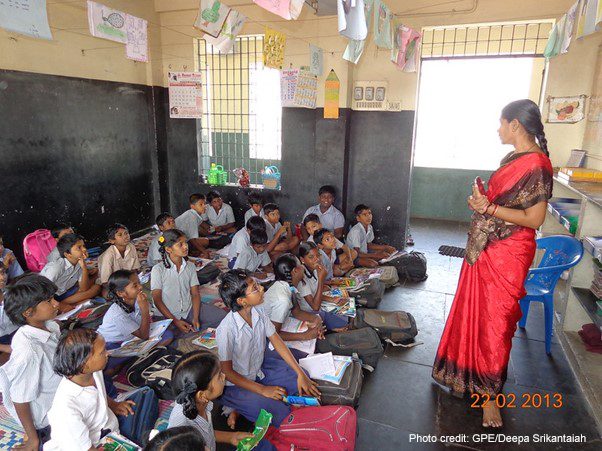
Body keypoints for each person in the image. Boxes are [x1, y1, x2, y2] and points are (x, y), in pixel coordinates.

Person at [432, 99, 553, 429]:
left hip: (508, 254)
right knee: (474, 314)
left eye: (501, 123)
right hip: (486, 249)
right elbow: (504, 202)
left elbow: (534, 218)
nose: (498, 129)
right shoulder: (512, 158)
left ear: (515, 125)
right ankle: (466, 376)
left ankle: (489, 398)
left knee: (496, 325)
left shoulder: (537, 164)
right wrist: (484, 201)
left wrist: (488, 209)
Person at [216, 270, 320, 427]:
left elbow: (277, 342)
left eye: (258, 284)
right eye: (255, 288)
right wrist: (262, 390)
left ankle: (242, 407)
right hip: (236, 384)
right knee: (277, 411)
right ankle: (234, 406)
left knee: (301, 377)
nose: (262, 289)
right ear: (242, 301)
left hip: (258, 371)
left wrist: (299, 373)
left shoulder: (258, 312)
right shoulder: (226, 329)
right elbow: (227, 372)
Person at [45, 329, 136, 450]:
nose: (107, 353)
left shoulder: (93, 371)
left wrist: (113, 404)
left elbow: (98, 393)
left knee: (141, 400)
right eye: (102, 352)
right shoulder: (66, 408)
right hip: (88, 445)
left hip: (107, 430)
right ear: (84, 364)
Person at [0, 274, 62, 450]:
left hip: (62, 396)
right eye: (49, 301)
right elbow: (19, 398)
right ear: (28, 312)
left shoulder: (50, 326)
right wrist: (33, 439)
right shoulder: (28, 351)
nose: (56, 303)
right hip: (48, 419)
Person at [169, 351, 264, 451]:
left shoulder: (200, 402)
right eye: (219, 375)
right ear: (202, 395)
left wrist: (231, 437)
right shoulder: (182, 433)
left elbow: (205, 432)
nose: (224, 376)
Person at [151, 229, 226, 336]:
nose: (186, 246)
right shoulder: (158, 270)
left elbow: (195, 294)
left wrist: (195, 318)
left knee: (222, 316)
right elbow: (157, 300)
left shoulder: (190, 266)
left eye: (185, 242)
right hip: (167, 314)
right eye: (180, 244)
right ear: (168, 249)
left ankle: (189, 329)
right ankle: (184, 330)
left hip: (188, 309)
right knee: (167, 335)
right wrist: (175, 321)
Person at [263, 254, 324, 358]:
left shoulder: (288, 286)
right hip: (267, 338)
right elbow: (273, 334)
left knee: (317, 326)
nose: (303, 267)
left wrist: (316, 319)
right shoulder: (282, 300)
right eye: (300, 265)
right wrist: (305, 336)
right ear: (295, 271)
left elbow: (296, 311)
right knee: (314, 346)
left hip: (281, 324)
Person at [40, 233, 101, 311]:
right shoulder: (56, 267)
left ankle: (69, 305)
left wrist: (84, 267)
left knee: (96, 288)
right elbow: (41, 290)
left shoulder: (79, 261)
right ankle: (65, 306)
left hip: (67, 292)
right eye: (79, 248)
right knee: (95, 288)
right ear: (68, 254)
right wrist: (60, 305)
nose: (84, 249)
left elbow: (84, 288)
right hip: (52, 297)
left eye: (83, 246)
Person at [297, 242, 348, 332]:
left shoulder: (316, 268)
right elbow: (315, 307)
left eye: (318, 255)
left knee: (345, 314)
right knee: (342, 324)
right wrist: (321, 279)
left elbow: (315, 293)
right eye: (311, 257)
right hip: (309, 312)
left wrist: (332, 300)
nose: (316, 260)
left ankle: (332, 327)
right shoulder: (301, 276)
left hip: (318, 304)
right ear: (302, 260)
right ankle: (331, 330)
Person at [175, 193, 210, 258]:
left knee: (205, 239)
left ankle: (191, 251)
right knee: (206, 241)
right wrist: (204, 252)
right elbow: (192, 240)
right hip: (177, 242)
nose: (204, 206)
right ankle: (189, 252)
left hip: (182, 239)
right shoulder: (192, 217)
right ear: (193, 206)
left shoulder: (192, 213)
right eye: (201, 204)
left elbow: (202, 225)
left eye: (205, 204)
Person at [0, 265, 17, 362]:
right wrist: (5, 348)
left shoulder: (11, 293)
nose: (2, 278)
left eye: (2, 272)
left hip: (19, 332)